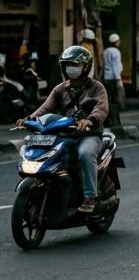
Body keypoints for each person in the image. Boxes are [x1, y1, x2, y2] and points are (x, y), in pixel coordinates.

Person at [18, 46, 109, 213]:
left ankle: (90, 196)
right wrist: (29, 119)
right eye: (68, 65)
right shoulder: (60, 89)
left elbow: (101, 108)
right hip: (66, 134)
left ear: (85, 67)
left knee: (85, 153)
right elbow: (45, 108)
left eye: (75, 65)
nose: (71, 68)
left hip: (89, 135)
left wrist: (89, 120)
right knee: (50, 155)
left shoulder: (97, 87)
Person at [103, 34, 125, 128]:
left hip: (106, 77)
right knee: (115, 101)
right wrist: (118, 79)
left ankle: (108, 121)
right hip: (113, 78)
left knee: (108, 100)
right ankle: (115, 121)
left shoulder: (105, 51)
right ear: (115, 42)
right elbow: (116, 67)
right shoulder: (116, 52)